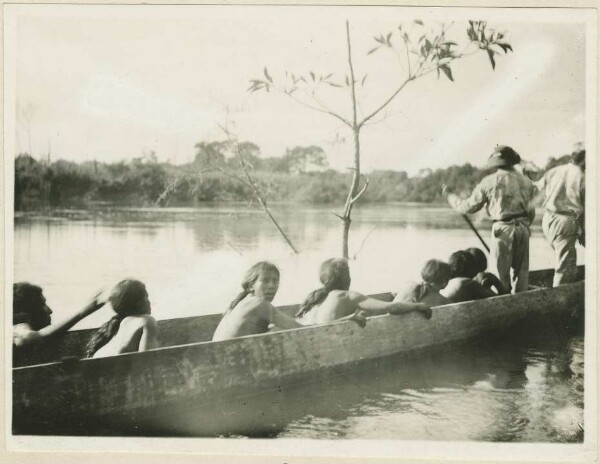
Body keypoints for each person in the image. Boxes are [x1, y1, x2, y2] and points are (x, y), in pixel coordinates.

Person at [442, 145, 536, 293]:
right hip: (523, 228)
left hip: (503, 230)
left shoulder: (490, 181)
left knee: (500, 275)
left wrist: (450, 197)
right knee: (522, 274)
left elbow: (468, 207)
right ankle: (521, 303)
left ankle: (502, 304)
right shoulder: (527, 182)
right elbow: (531, 213)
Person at [296, 258, 432, 325]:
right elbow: (390, 307)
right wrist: (418, 306)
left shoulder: (319, 296)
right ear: (347, 276)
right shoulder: (348, 296)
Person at [212, 262, 305, 341]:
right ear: (251, 286)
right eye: (265, 281)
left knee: (275, 330)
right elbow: (300, 329)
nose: (272, 286)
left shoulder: (243, 302)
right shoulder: (259, 304)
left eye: (275, 281)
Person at [535, 143, 585, 286]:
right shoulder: (583, 177)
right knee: (565, 268)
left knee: (562, 260)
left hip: (548, 219)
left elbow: (535, 189)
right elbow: (585, 208)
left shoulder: (555, 170)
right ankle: (560, 299)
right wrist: (582, 232)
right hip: (566, 222)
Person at [13, 282, 106, 348]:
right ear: (25, 315)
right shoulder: (14, 330)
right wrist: (83, 311)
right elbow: (32, 337)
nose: (50, 311)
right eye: (42, 305)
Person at [86, 279, 158, 358]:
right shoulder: (146, 320)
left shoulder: (120, 324)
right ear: (139, 303)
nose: (150, 302)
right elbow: (148, 361)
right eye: (146, 296)